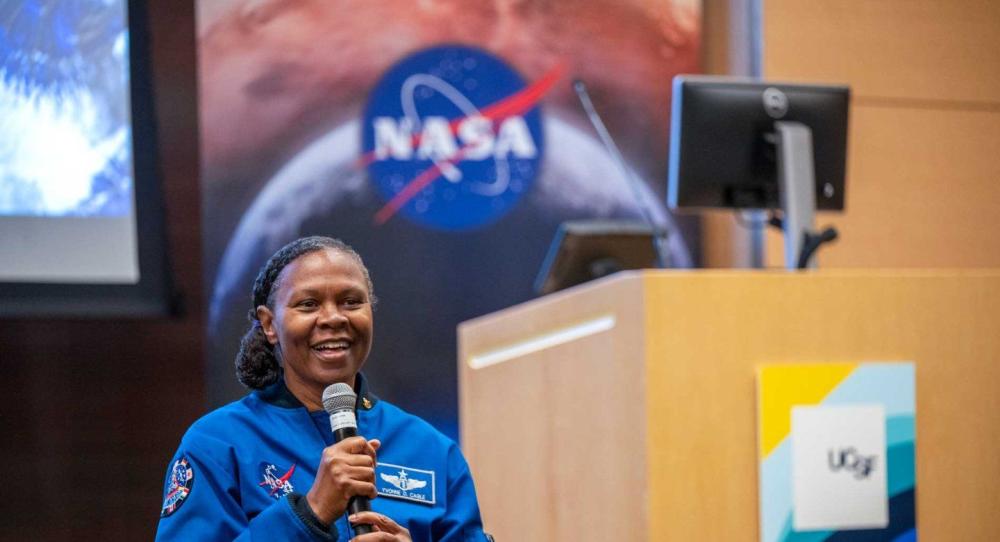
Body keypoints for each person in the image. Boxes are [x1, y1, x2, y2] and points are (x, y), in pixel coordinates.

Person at [156, 236, 488, 541]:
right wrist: (310, 513)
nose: (333, 318)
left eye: (351, 302)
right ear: (270, 324)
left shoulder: (432, 450)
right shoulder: (217, 445)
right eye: (308, 304)